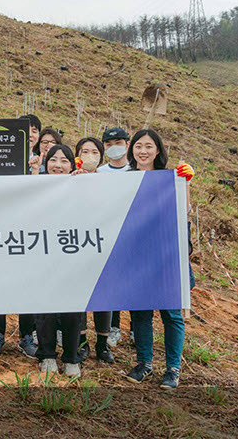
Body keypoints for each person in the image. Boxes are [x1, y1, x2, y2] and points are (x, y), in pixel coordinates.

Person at [125, 129, 191, 389]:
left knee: (171, 313)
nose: (143, 151)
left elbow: (183, 210)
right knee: (141, 312)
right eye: (138, 146)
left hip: (166, 254)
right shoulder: (124, 180)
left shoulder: (169, 179)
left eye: (149, 146)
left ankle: (173, 369)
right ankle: (145, 364)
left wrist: (185, 183)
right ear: (132, 150)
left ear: (158, 151)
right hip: (136, 256)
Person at [0, 114, 41, 357]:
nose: (29, 133)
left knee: (28, 284)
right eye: (24, 129)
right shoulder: (1, 155)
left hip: (31, 232)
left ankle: (26, 335)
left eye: (34, 130)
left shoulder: (45, 160)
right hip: (3, 227)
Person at [31, 144, 84, 377]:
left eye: (64, 160)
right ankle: (47, 355)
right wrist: (34, 173)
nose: (58, 165)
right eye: (53, 160)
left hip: (73, 256)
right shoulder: (38, 184)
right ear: (46, 163)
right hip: (42, 255)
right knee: (45, 308)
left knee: (73, 308)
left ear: (72, 165)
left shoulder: (80, 184)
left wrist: (86, 181)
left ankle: (72, 358)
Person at [72, 136, 116, 364]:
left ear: (101, 156)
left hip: (102, 245)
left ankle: (102, 343)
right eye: (84, 151)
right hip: (76, 245)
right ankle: (81, 342)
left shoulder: (109, 181)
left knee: (103, 296)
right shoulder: (70, 179)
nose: (89, 155)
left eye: (94, 152)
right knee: (80, 295)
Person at [97, 127, 132, 346]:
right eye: (108, 144)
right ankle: (111, 327)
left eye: (118, 142)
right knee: (110, 281)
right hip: (106, 234)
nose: (113, 147)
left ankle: (132, 328)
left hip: (131, 232)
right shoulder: (99, 173)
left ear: (128, 144)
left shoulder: (137, 171)